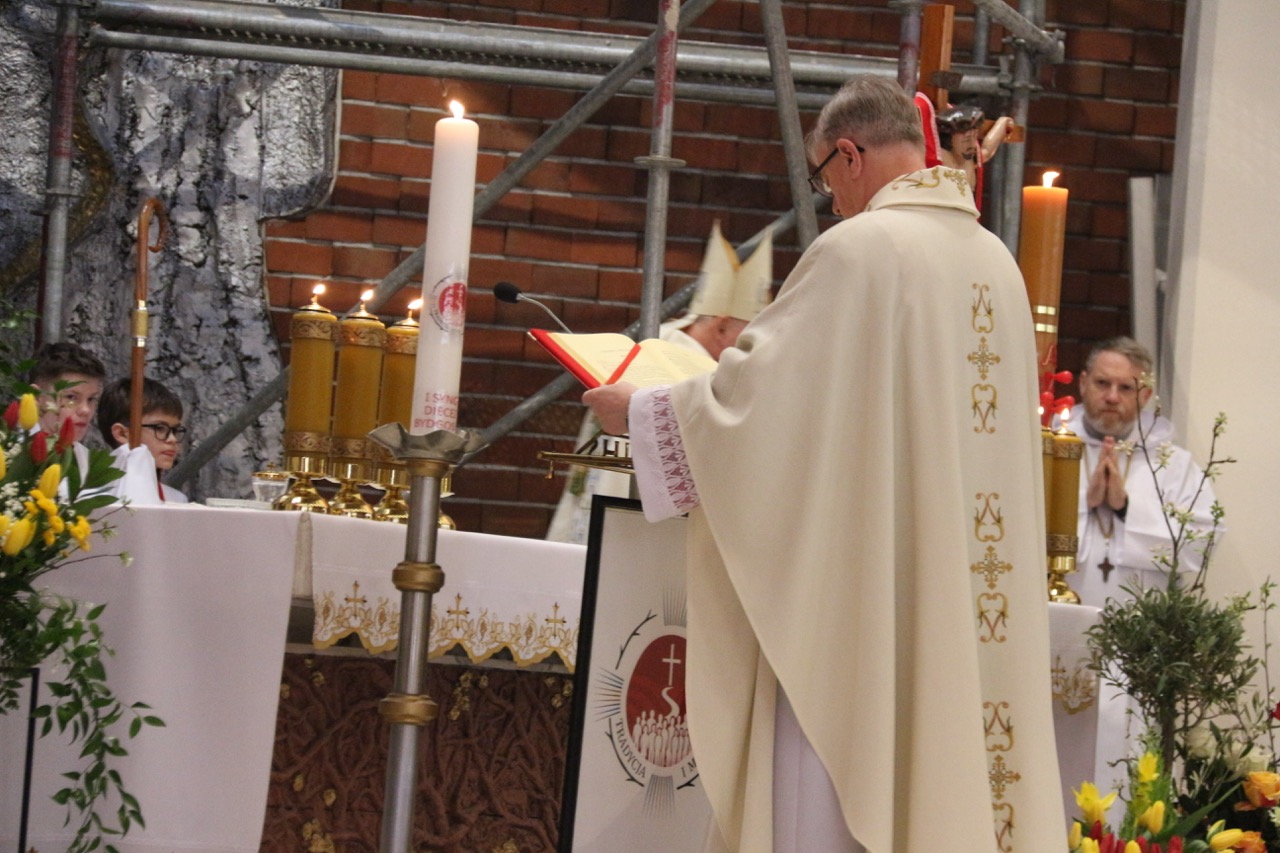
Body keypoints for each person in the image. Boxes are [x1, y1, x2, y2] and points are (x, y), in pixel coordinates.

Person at [584, 75, 1064, 852]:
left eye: (824, 181)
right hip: (967, 602)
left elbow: (759, 407)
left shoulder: (860, 250)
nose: (833, 203)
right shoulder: (997, 265)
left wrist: (642, 411)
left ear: (849, 154)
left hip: (863, 610)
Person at [545, 222, 773, 545]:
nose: (756, 347)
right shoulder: (687, 367)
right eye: (749, 333)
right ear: (721, 326)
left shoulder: (656, 341)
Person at [1062, 337, 1218, 605]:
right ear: (1083, 383)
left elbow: (1201, 545)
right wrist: (1086, 501)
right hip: (1058, 613)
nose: (1112, 397)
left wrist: (1125, 507)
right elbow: (1021, 531)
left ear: (1145, 395)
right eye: (1102, 383)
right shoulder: (1051, 451)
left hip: (1143, 620)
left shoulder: (1174, 464)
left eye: (1126, 387)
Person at [96, 377, 190, 504]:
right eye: (159, 428)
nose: (172, 439)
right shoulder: (92, 499)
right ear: (122, 433)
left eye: (175, 430)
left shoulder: (177, 500)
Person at [28, 341, 107, 480]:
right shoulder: (10, 453)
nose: (86, 410)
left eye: (91, 399)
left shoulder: (90, 465)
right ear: (37, 397)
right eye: (71, 397)